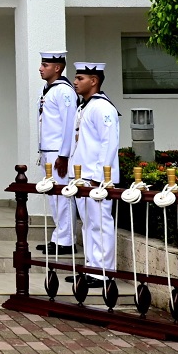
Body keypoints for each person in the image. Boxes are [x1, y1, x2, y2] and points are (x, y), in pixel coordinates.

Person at [59, 62, 120, 286]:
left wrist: (101, 176)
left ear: (94, 81)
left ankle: (103, 272)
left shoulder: (103, 107)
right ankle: (92, 269)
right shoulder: (84, 106)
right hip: (83, 176)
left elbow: (108, 143)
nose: (75, 82)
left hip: (96, 178)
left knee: (100, 224)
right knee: (87, 224)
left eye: (80, 78)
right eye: (75, 78)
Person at [35, 50, 77, 256]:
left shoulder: (64, 91)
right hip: (48, 151)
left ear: (58, 68)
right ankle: (59, 237)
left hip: (58, 153)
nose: (41, 68)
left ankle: (67, 241)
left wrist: (64, 154)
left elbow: (69, 124)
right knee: (54, 196)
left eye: (45, 65)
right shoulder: (48, 89)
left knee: (62, 196)